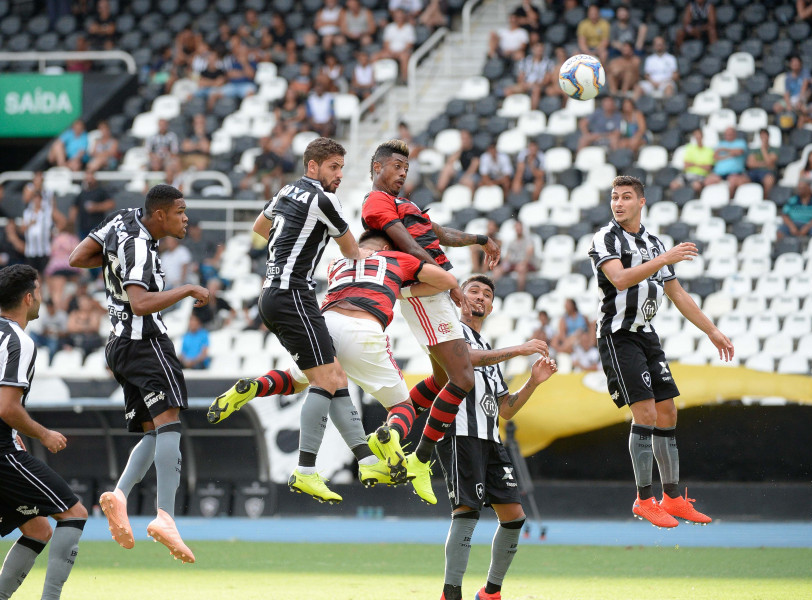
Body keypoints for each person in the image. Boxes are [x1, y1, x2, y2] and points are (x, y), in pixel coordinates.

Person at [209, 229, 459, 502]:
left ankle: (255, 386)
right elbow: (446, 281)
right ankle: (391, 434)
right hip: (364, 327)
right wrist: (401, 289)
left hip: (325, 323)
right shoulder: (397, 258)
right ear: (387, 244)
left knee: (300, 380)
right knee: (402, 407)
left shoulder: (338, 263)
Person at [226, 138, 395, 505]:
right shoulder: (323, 199)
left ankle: (366, 460)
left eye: (341, 168)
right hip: (293, 295)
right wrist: (371, 253)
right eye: (333, 167)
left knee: (333, 377)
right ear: (313, 166)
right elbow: (351, 251)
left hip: (272, 293)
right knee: (327, 378)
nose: (338, 175)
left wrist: (291, 244)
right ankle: (305, 470)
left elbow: (259, 226)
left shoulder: (286, 191)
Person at [67, 184, 212, 563]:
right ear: (160, 215)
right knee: (170, 424)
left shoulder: (121, 220)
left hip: (118, 345)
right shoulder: (141, 247)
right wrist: (186, 289)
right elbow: (141, 302)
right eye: (180, 212)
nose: (186, 218)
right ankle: (166, 517)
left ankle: (119, 495)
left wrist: (110, 263)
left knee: (153, 430)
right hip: (145, 343)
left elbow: (78, 256)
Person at [589, 175, 734, 527]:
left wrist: (712, 330)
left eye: (625, 197)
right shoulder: (605, 237)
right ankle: (643, 499)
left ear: (641, 202)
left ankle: (672, 498)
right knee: (646, 414)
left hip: (647, 335)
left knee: (668, 411)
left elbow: (678, 294)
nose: (618, 203)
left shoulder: (654, 242)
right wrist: (665, 258)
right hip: (618, 335)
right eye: (614, 197)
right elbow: (620, 279)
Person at [362, 139, 501, 505]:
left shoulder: (406, 204)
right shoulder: (376, 201)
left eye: (405, 168)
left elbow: (437, 233)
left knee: (443, 380)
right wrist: (447, 281)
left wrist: (479, 238)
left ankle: (392, 430)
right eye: (395, 166)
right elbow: (406, 242)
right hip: (425, 291)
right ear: (377, 168)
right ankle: (420, 460)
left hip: (433, 289)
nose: (402, 172)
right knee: (463, 379)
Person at [436, 275, 556, 600]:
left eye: (487, 294)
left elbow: (505, 409)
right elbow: (464, 360)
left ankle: (490, 592)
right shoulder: (449, 330)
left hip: (490, 439)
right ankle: (451, 594)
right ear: (459, 297)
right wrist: (520, 349)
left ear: (491, 305)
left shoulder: (489, 348)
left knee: (515, 517)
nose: (480, 297)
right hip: (461, 432)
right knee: (466, 512)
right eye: (473, 290)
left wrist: (532, 382)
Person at [0, 264, 88, 600]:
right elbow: (7, 407)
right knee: (74, 513)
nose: (42, 296)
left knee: (37, 528)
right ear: (28, 298)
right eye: (39, 291)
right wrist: (43, 433)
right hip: (2, 453)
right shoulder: (18, 341)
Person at [19, 172, 62, 275]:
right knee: (32, 275)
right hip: (31, 249)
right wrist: (36, 188)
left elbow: (61, 219)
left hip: (44, 247)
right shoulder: (28, 213)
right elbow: (25, 199)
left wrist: (55, 231)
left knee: (46, 274)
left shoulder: (47, 211)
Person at [504, 42, 555, 111]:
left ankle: (532, 111)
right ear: (533, 50)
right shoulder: (525, 61)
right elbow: (521, 76)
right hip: (526, 84)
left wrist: (536, 84)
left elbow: (547, 79)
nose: (539, 52)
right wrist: (525, 84)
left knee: (536, 90)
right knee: (508, 90)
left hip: (539, 85)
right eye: (537, 50)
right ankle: (511, 109)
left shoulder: (548, 63)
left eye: (541, 50)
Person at [705, 126, 749, 197]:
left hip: (735, 173)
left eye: (730, 134)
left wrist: (724, 150)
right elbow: (715, 157)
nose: (728, 136)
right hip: (719, 174)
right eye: (727, 134)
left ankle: (728, 202)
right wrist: (730, 154)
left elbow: (739, 152)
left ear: (735, 134)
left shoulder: (740, 142)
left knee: (732, 182)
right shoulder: (720, 143)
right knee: (708, 181)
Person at [69, 171, 114, 239]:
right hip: (83, 227)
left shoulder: (100, 191)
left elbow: (111, 204)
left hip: (97, 227)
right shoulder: (81, 194)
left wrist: (96, 207)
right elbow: (74, 208)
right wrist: (71, 223)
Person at [375, 10, 416, 82]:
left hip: (403, 52)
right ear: (394, 17)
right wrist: (391, 52)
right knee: (374, 57)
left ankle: (404, 79)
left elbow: (410, 44)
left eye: (400, 16)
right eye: (397, 16)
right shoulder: (389, 27)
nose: (399, 18)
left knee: (404, 57)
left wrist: (399, 52)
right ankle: (376, 79)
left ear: (404, 17)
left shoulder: (409, 28)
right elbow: (386, 43)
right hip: (390, 51)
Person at [669, 128, 713, 194]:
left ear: (702, 136)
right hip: (687, 174)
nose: (697, 138)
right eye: (696, 136)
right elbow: (686, 165)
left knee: (696, 186)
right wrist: (700, 165)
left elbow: (708, 168)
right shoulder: (690, 148)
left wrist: (693, 164)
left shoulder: (709, 150)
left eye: (699, 136)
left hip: (700, 176)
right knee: (673, 185)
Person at [436, 130, 481, 194]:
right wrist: (460, 150)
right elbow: (450, 161)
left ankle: (470, 199)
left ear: (470, 139)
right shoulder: (461, 151)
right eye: (462, 139)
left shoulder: (476, 150)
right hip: (462, 172)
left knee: (468, 181)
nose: (464, 141)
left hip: (474, 175)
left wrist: (465, 176)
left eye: (465, 139)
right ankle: (439, 192)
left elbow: (474, 167)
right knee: (447, 168)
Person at [495, 220, 535, 292]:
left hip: (526, 263)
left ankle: (519, 291)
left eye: (519, 227)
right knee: (497, 270)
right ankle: (493, 291)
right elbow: (508, 255)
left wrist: (523, 263)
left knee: (521, 268)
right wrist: (504, 265)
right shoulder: (512, 242)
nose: (518, 229)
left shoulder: (529, 240)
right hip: (514, 263)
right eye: (516, 227)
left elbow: (530, 252)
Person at [746, 128, 778, 198]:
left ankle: (765, 200)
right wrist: (764, 163)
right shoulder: (754, 150)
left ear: (768, 136)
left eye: (765, 135)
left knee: (769, 181)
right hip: (754, 172)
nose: (763, 138)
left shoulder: (774, 149)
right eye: (761, 136)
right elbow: (750, 164)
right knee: (741, 180)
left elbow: (769, 162)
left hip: (768, 172)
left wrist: (763, 149)